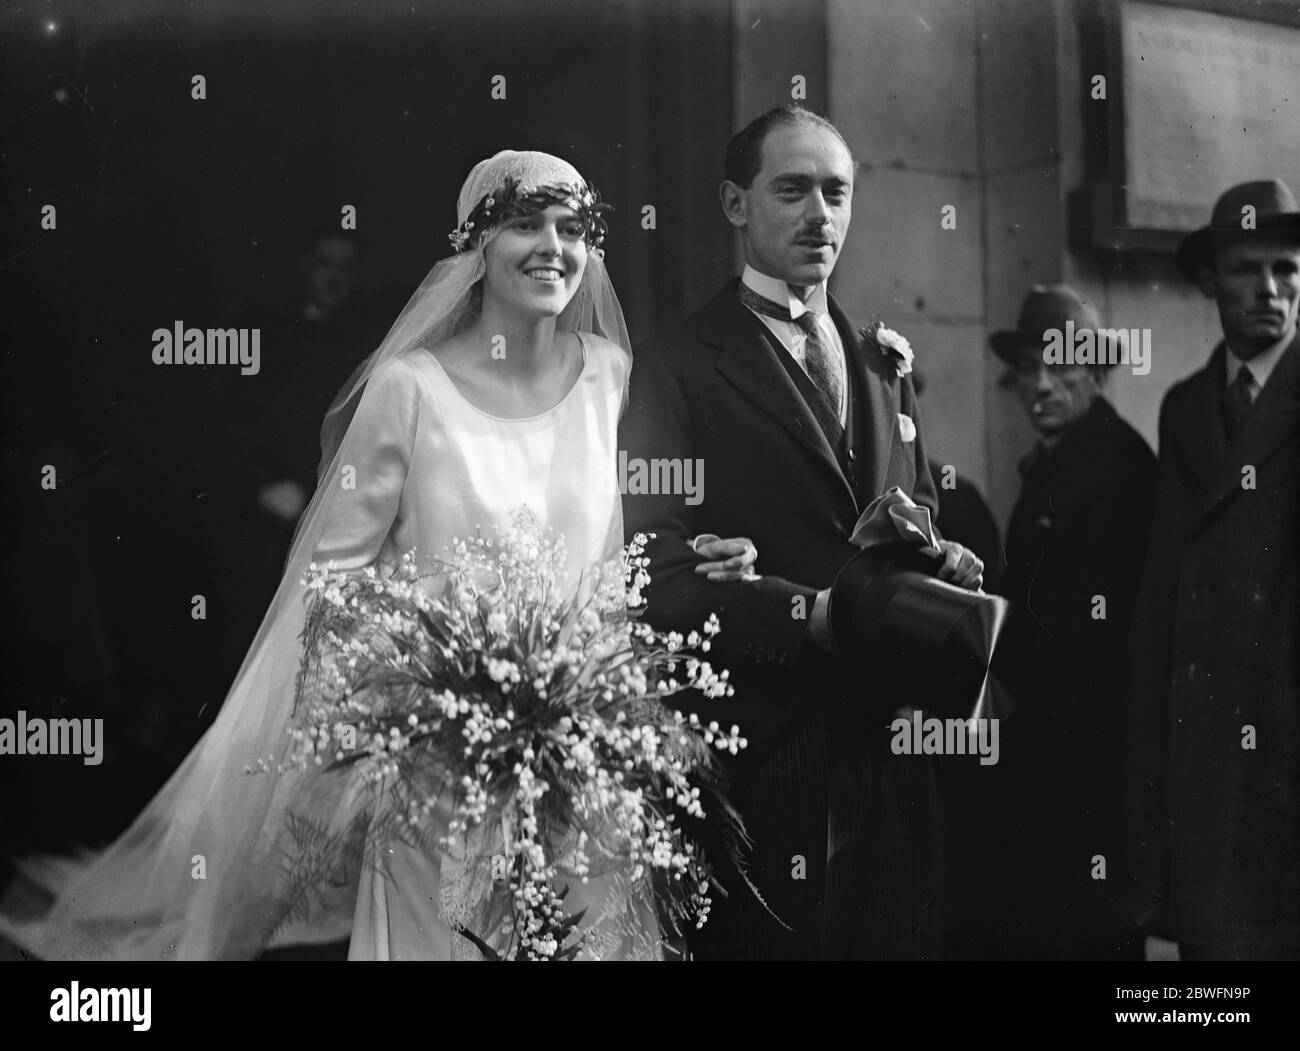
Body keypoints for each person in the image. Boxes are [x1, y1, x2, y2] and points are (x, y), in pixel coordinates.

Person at [0, 150, 758, 961]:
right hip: (439, 782)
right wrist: (414, 699)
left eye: (573, 229)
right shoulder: (410, 388)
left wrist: (695, 554)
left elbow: (626, 542)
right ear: (475, 246)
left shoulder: (611, 376)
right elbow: (333, 580)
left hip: (583, 769)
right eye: (525, 225)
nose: (553, 247)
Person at [620, 105, 983, 960]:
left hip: (897, 745)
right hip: (769, 752)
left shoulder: (883, 361)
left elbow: (916, 510)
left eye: (836, 192)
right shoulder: (676, 364)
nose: (820, 216)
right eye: (792, 190)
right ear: (736, 203)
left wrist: (943, 561)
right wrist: (805, 613)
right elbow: (654, 570)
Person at [945, 285, 1155, 959]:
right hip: (1048, 756)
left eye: (1059, 367)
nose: (1039, 385)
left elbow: (1092, 634)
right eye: (1029, 369)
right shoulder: (1060, 461)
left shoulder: (1115, 466)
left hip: (1085, 762)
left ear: (1095, 371)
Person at [1123, 179, 1300, 961]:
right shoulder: (1186, 404)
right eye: (1248, 271)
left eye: (1288, 271)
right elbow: (1168, 573)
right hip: (1201, 744)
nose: (1271, 290)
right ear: (1208, 282)